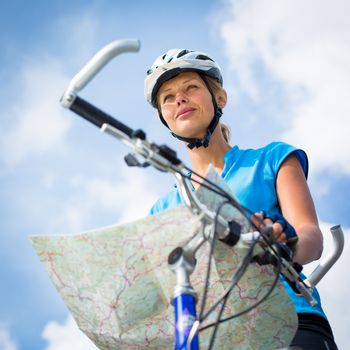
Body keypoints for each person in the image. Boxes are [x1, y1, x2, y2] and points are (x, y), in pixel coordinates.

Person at [144, 49, 338, 349]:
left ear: (219, 98)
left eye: (190, 87)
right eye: (167, 97)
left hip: (290, 322)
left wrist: (284, 246)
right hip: (216, 339)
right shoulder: (161, 210)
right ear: (164, 118)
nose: (179, 99)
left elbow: (310, 237)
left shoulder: (271, 159)